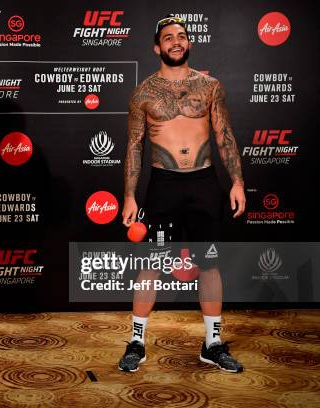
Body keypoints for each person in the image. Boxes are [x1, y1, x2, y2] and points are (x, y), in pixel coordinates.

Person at [119, 15, 245, 373]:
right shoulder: (143, 93)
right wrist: (130, 194)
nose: (176, 41)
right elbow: (133, 146)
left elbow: (225, 137)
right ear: (157, 47)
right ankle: (137, 341)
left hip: (204, 184)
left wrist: (236, 181)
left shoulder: (210, 87)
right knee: (152, 265)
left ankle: (213, 343)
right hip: (163, 187)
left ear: (188, 44)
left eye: (182, 36)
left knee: (209, 264)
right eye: (168, 37)